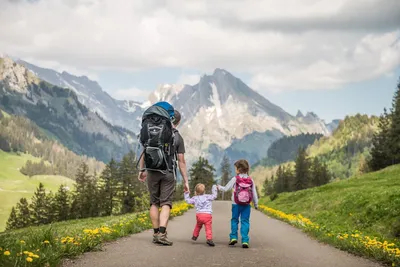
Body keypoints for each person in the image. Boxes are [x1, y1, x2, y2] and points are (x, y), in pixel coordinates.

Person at [138, 109, 189, 246]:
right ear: (177, 122)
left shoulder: (152, 132)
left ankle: (155, 233)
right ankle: (162, 234)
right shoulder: (177, 137)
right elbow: (181, 161)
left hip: (152, 171)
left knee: (154, 202)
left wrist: (142, 170)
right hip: (168, 172)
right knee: (166, 203)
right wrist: (185, 180)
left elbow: (144, 151)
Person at [217, 159, 258, 248]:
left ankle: (233, 237)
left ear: (239, 169)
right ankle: (245, 240)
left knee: (234, 220)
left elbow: (226, 188)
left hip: (236, 204)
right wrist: (256, 204)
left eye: (235, 168)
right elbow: (254, 193)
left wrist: (218, 187)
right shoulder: (250, 180)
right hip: (247, 205)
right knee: (245, 221)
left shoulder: (235, 179)